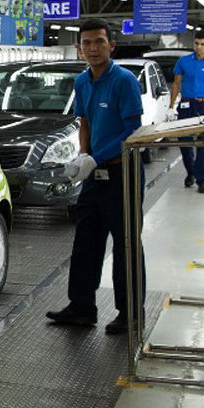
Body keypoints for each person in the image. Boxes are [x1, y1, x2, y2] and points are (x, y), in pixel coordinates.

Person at [47, 18, 145, 335]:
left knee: (126, 243)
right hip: (94, 173)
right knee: (86, 241)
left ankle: (131, 314)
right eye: (86, 43)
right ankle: (81, 308)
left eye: (99, 42)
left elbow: (133, 131)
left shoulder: (124, 81)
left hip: (122, 173)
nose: (92, 48)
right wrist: (83, 155)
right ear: (80, 48)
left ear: (111, 45)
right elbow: (85, 122)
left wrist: (97, 158)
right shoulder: (82, 81)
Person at [169, 31, 204, 193]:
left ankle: (202, 180)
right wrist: (171, 106)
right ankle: (191, 172)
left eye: (202, 44)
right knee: (184, 140)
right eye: (196, 44)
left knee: (203, 142)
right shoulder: (184, 61)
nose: (199, 47)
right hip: (187, 104)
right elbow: (176, 84)